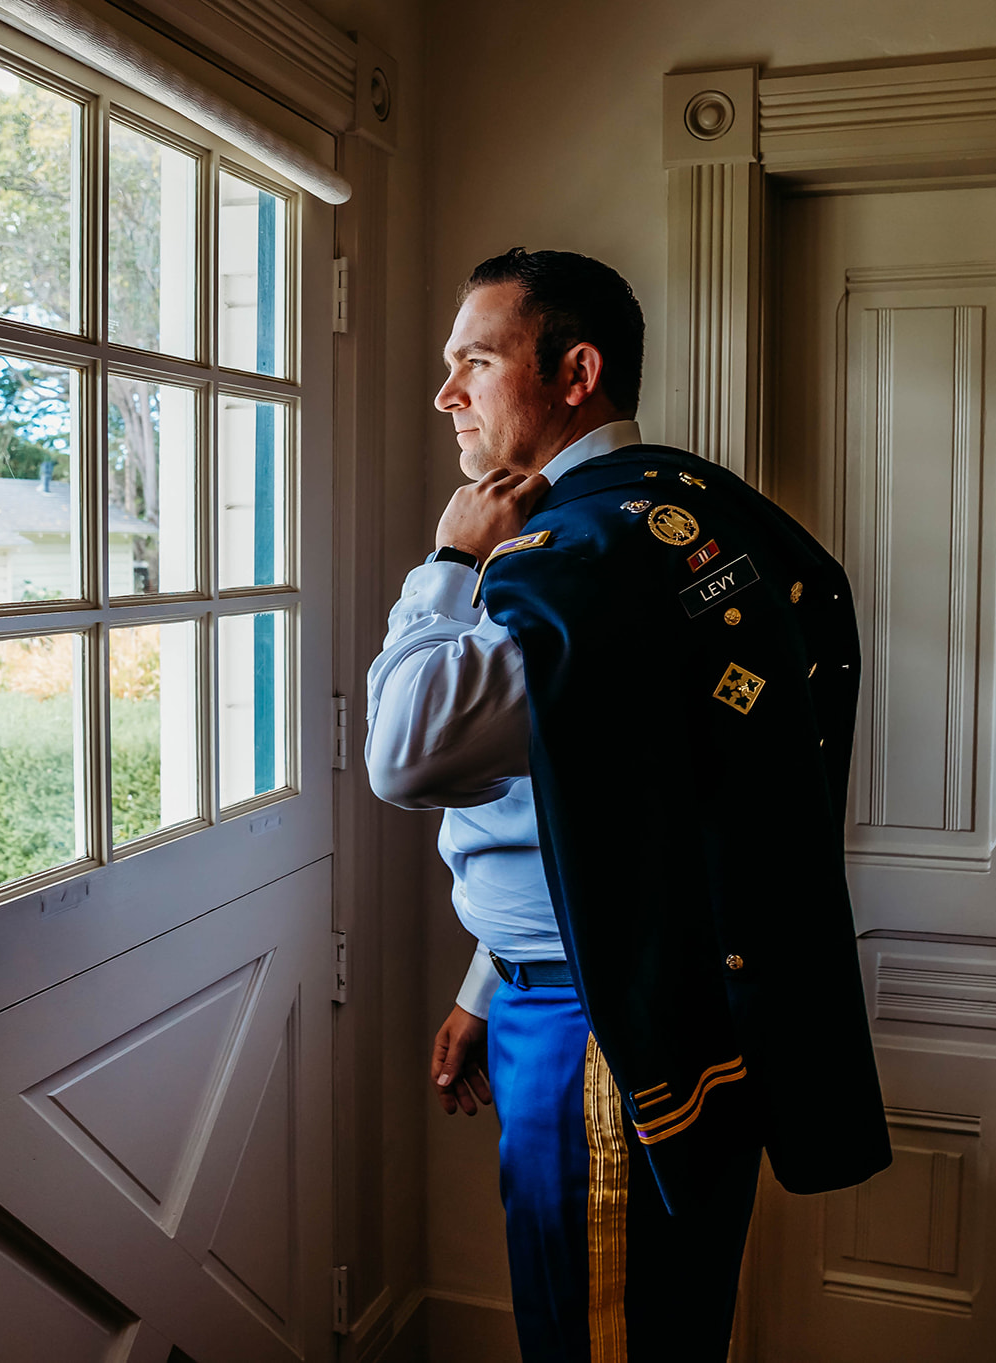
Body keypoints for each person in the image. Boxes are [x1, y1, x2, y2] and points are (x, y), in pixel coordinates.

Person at [366, 248, 889, 1362]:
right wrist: (483, 982)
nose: (446, 396)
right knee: (662, 1323)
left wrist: (447, 561)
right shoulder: (702, 513)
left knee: (596, 1338)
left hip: (602, 1024)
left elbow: (406, 755)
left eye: (475, 362)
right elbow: (612, 797)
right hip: (664, 993)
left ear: (574, 370)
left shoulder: (575, 556)